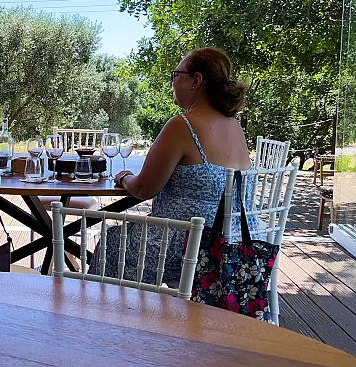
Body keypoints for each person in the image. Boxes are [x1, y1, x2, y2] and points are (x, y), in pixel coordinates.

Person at [90, 47, 255, 285]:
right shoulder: (235, 126)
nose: (172, 83)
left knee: (114, 242)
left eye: (176, 75)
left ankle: (110, 316)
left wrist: (124, 177)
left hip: (186, 247)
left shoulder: (182, 125)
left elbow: (144, 189)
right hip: (232, 243)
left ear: (196, 80)